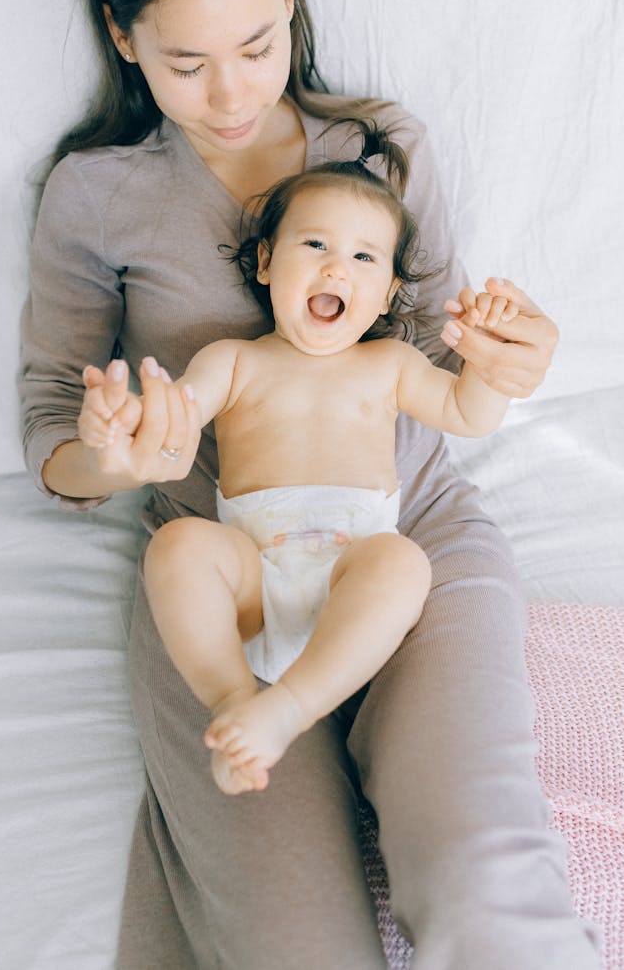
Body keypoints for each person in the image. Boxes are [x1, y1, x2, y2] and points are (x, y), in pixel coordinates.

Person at [20, 0, 601, 967]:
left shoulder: (382, 149)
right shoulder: (96, 196)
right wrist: (113, 455)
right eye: (187, 64)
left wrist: (504, 361)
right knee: (297, 949)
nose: (232, 96)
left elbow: (439, 352)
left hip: (406, 534)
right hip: (225, 577)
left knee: (491, 895)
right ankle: (264, 714)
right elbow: (52, 421)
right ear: (122, 35)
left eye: (256, 47)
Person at [76, 127, 520, 797]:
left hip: (353, 579)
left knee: (403, 562)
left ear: (390, 291)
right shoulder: (236, 360)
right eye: (314, 244)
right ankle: (233, 703)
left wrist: (488, 362)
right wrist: (126, 414)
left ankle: (285, 709)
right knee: (177, 546)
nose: (336, 268)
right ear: (264, 264)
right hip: (254, 589)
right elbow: (176, 415)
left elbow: (467, 413)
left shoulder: (390, 364)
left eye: (364, 257)